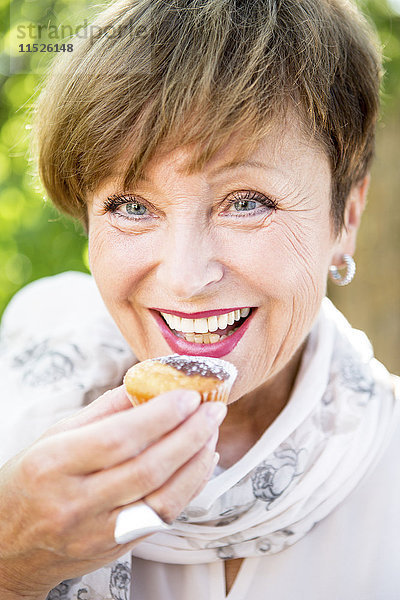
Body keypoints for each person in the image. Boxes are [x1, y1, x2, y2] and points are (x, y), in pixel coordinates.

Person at [0, 0, 399, 598]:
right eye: (132, 206)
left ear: (346, 214)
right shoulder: (19, 386)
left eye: (247, 202)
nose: (185, 278)